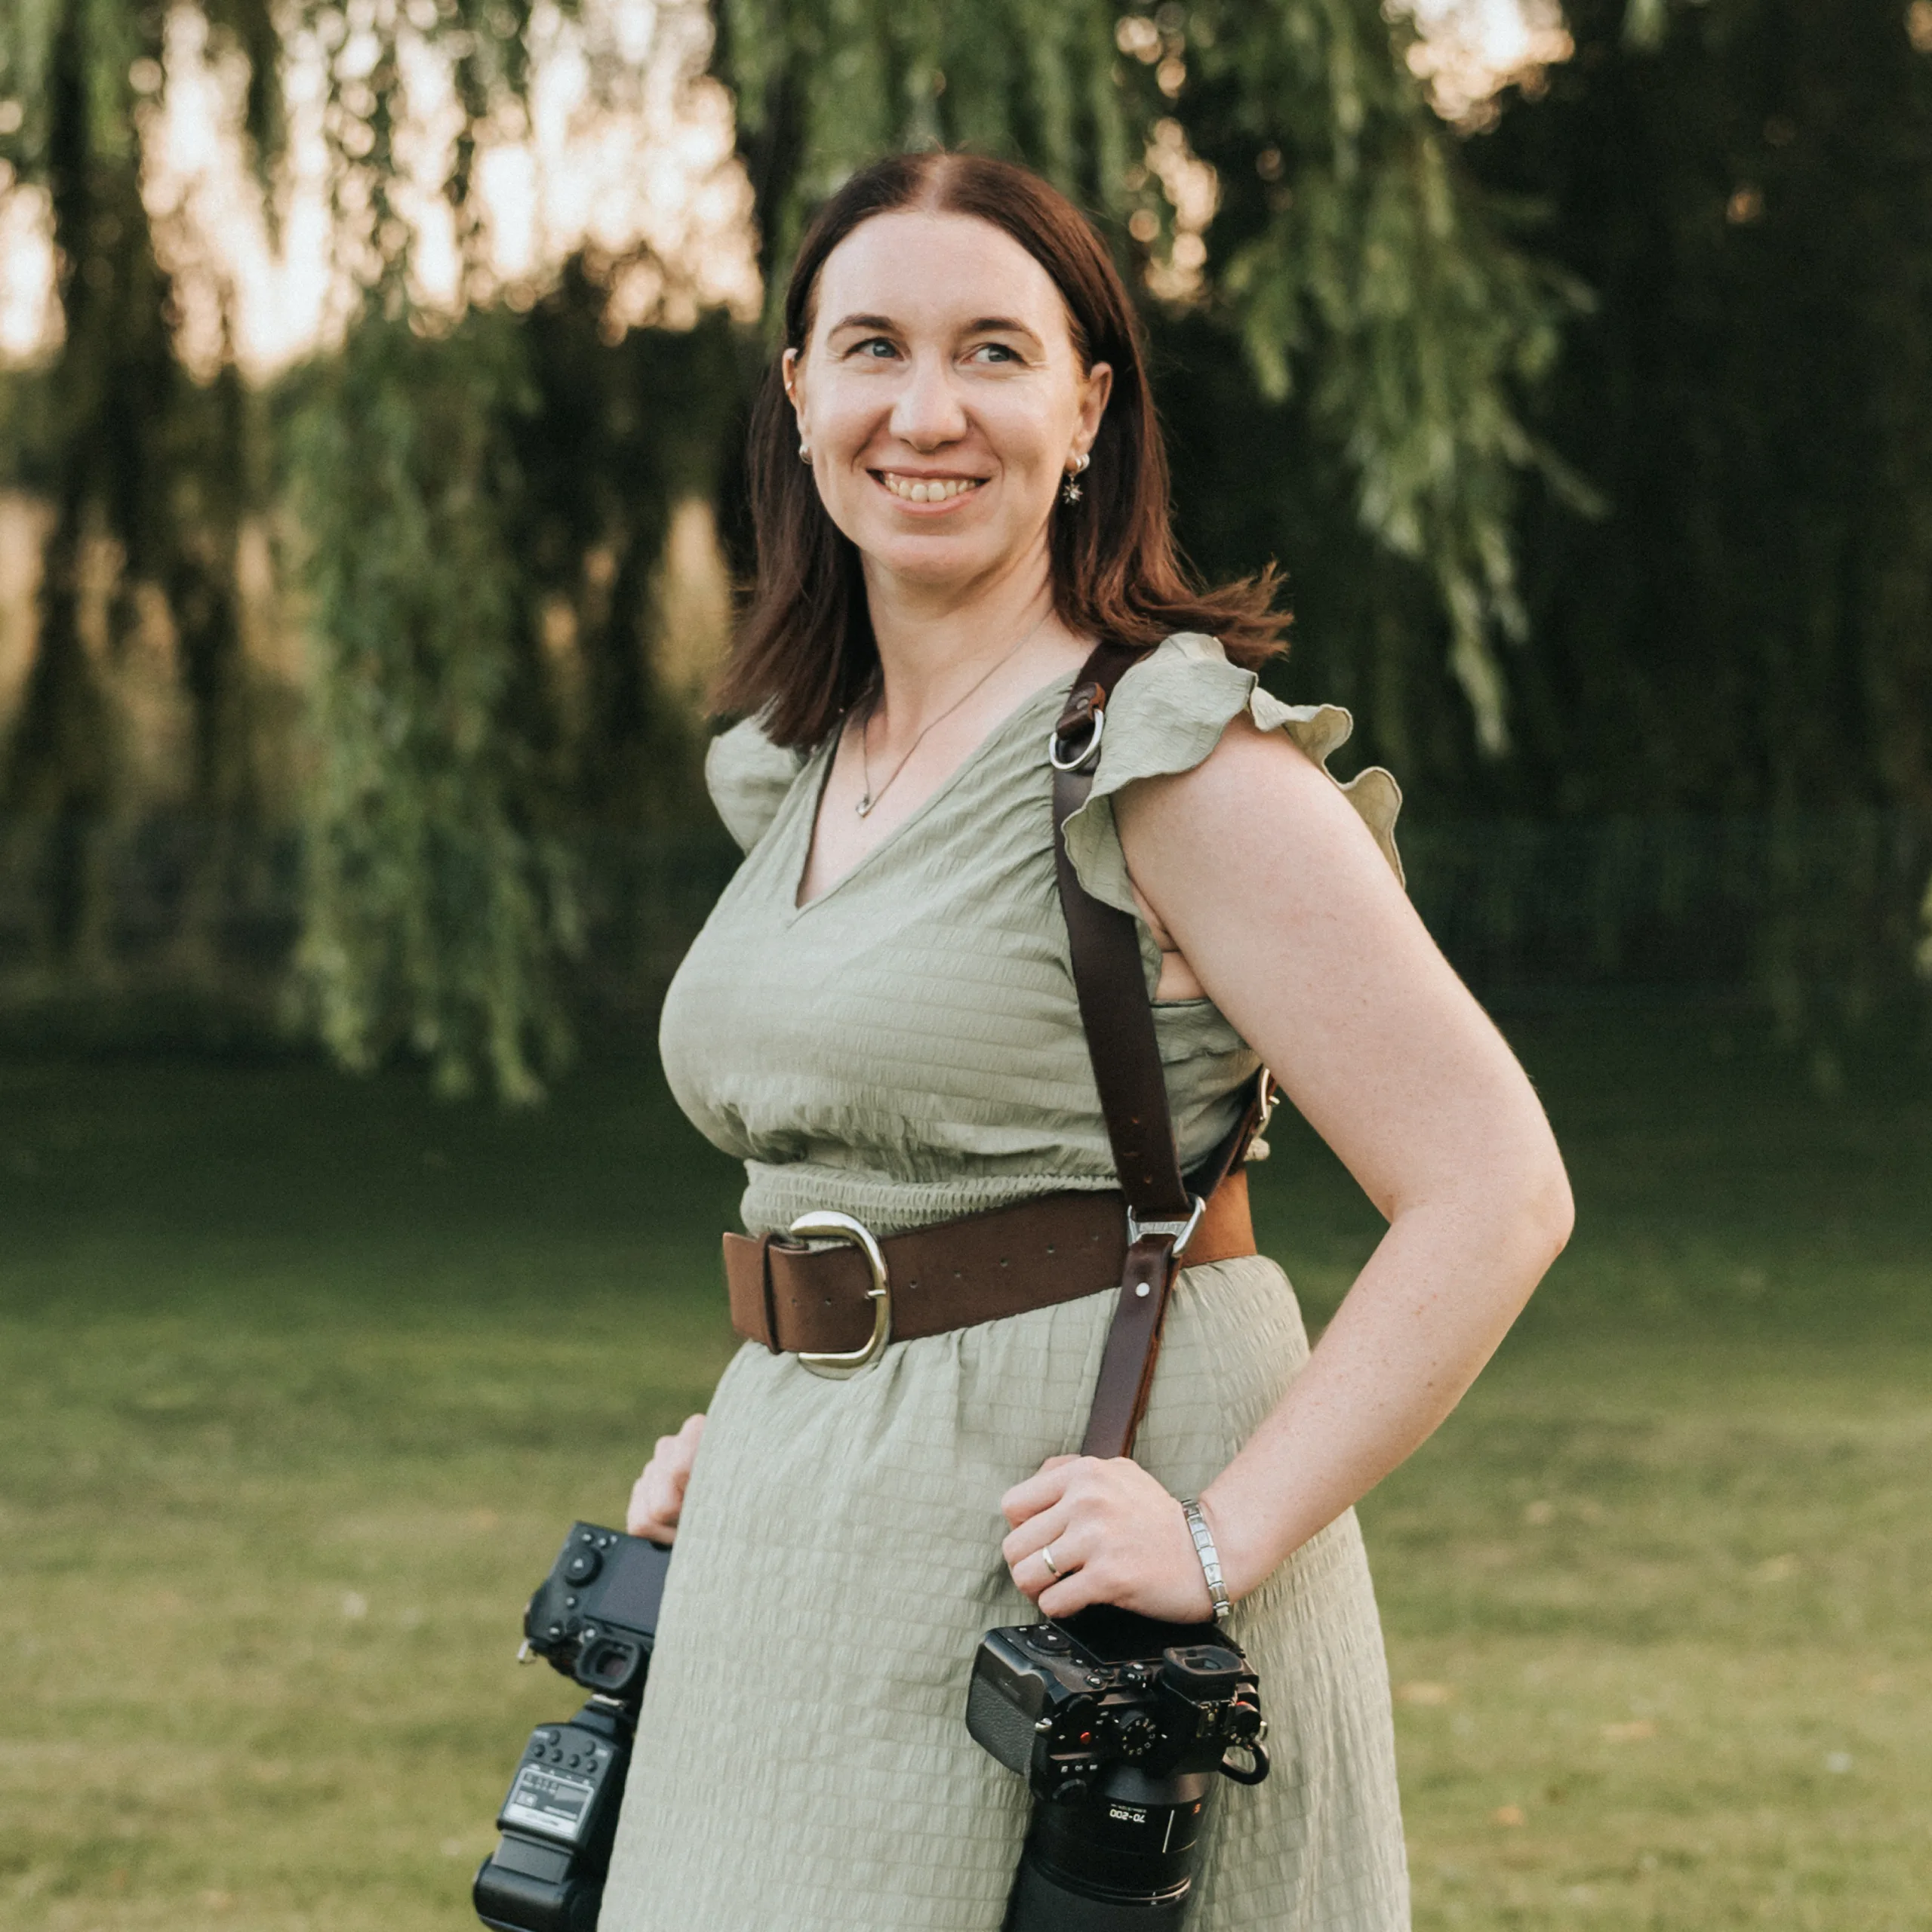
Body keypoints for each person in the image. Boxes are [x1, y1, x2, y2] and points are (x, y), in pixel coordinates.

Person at [597, 151, 1572, 1932]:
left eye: (992, 352)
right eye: (873, 347)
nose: (926, 410)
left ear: (1086, 409)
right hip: (797, 1526)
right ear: (799, 391)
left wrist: (1215, 1537)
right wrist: (765, 1398)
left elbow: (1491, 1186)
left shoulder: (1174, 757)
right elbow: (870, 1148)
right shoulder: (796, 766)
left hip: (1075, 1547)